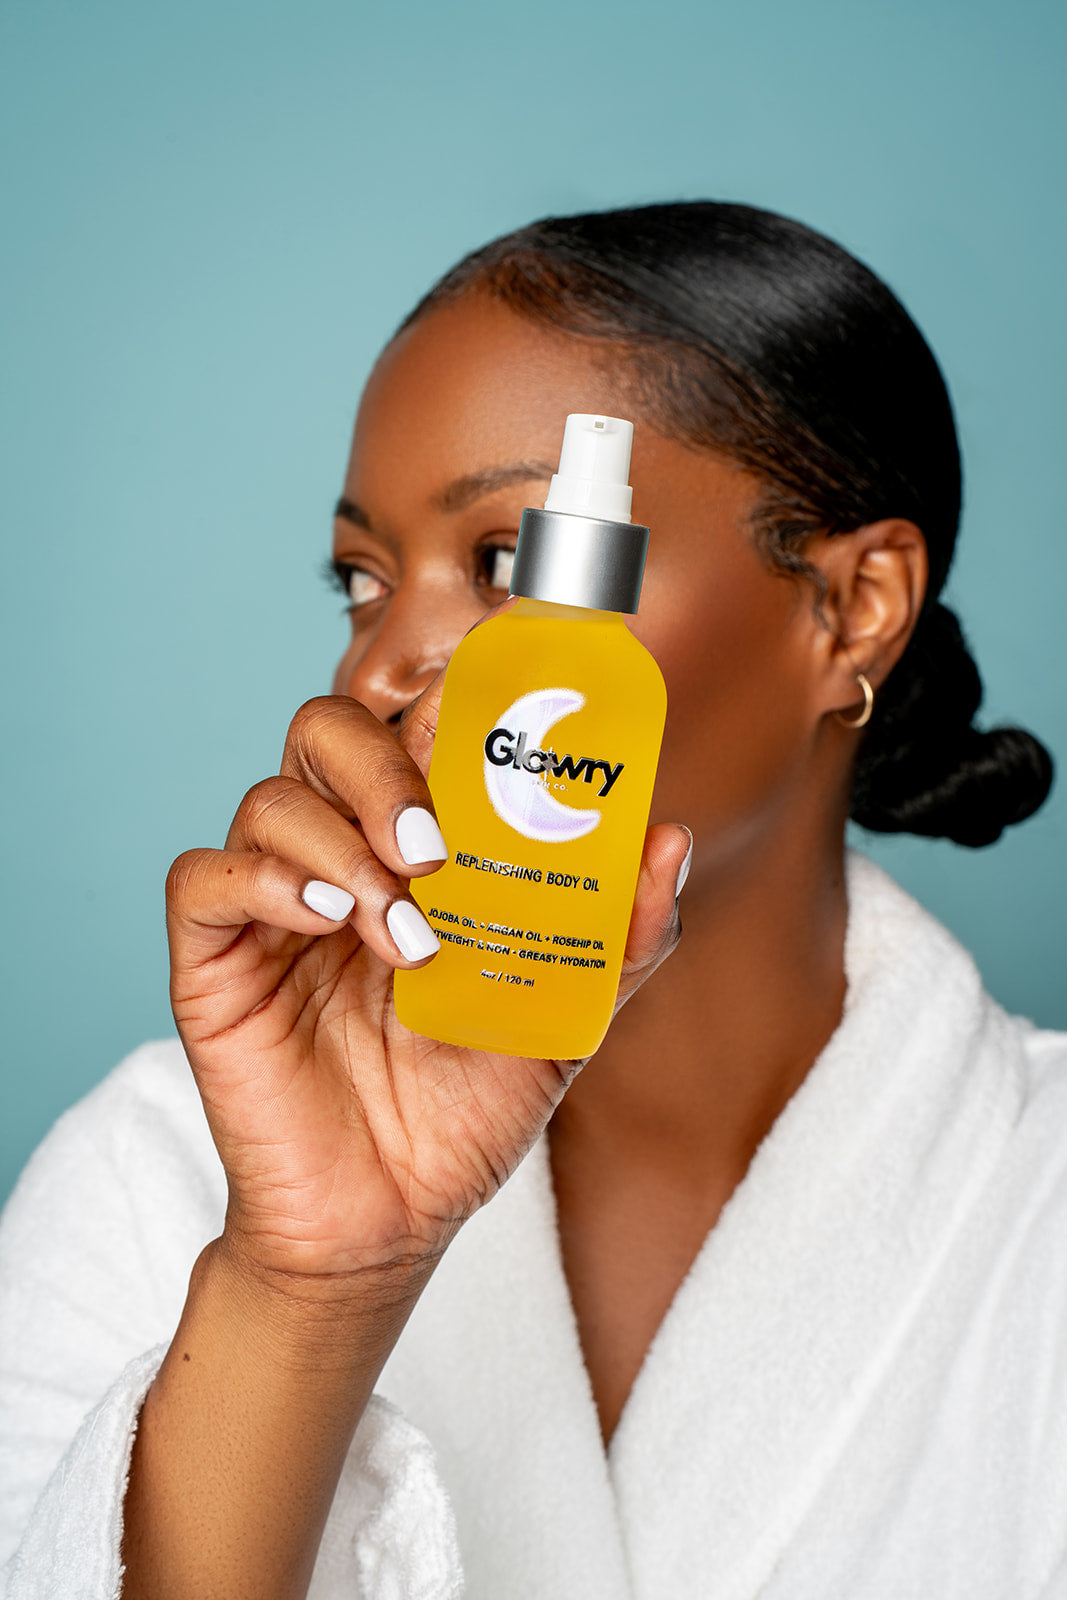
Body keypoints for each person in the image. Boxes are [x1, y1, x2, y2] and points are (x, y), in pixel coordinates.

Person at [0, 201, 1063, 1600]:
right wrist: (308, 1287)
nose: (381, 667)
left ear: (853, 607)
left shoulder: (1039, 1202)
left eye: (506, 560)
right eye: (361, 580)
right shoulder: (159, 1173)